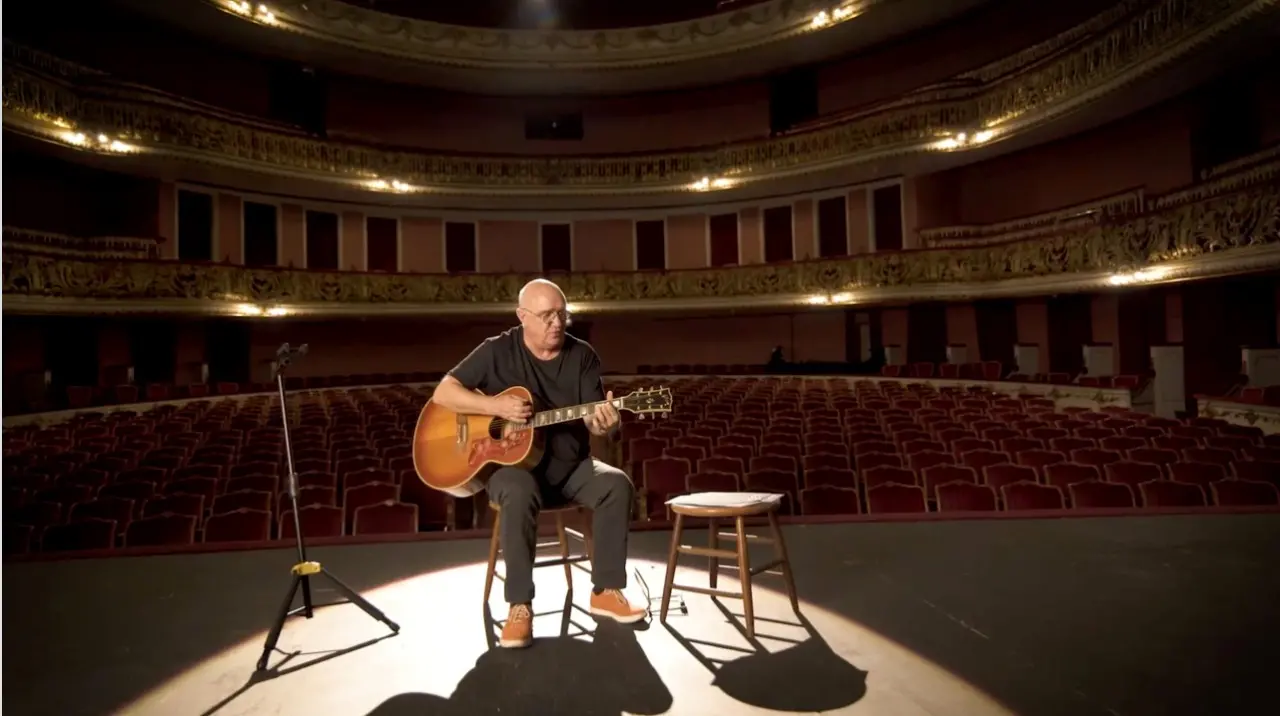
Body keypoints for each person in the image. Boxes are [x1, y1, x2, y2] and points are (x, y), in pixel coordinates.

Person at [430, 278, 647, 648]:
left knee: (616, 484)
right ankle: (519, 606)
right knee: (517, 489)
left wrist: (605, 424)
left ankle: (606, 590)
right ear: (522, 316)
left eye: (562, 314)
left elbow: (596, 421)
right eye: (547, 316)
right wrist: (494, 406)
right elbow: (443, 392)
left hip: (571, 469)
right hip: (511, 472)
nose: (556, 323)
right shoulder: (496, 350)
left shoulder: (582, 356)